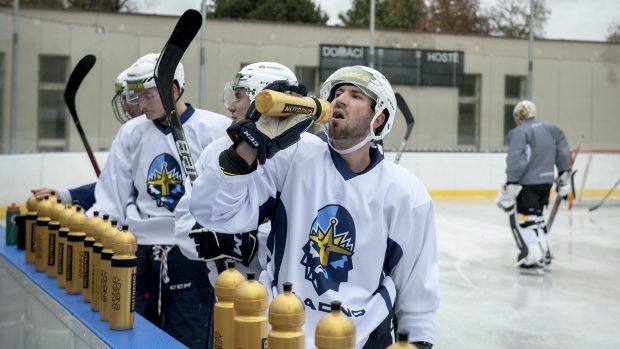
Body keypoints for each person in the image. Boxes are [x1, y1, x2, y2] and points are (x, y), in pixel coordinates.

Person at [189, 65, 439, 348]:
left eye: (356, 95)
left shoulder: (406, 192)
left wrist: (419, 341)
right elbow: (213, 211)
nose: (340, 99)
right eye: (337, 93)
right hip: (280, 332)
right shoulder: (293, 156)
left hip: (362, 338)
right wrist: (249, 146)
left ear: (378, 120)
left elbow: (416, 285)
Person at [88, 53, 230, 349]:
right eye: (137, 96)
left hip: (191, 254)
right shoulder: (131, 132)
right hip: (138, 249)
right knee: (134, 333)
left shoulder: (215, 129)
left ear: (174, 89)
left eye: (148, 96)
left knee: (187, 336)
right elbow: (111, 197)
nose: (140, 105)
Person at [175, 62, 300, 288]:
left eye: (239, 96)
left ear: (263, 100)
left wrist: (252, 241)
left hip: (290, 301)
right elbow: (185, 223)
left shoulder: (304, 154)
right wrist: (209, 238)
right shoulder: (217, 151)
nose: (231, 107)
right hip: (228, 294)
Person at [30, 66, 143, 210]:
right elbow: (110, 190)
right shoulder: (129, 137)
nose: (125, 108)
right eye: (122, 100)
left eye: (128, 98)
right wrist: (64, 195)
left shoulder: (166, 138)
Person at [496, 99, 571, 275]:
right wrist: (564, 176)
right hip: (546, 182)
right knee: (536, 218)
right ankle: (545, 253)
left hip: (527, 183)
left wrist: (511, 185)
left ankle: (532, 254)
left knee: (522, 218)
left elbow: (517, 160)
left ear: (518, 116)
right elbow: (562, 152)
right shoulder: (552, 128)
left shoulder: (520, 132)